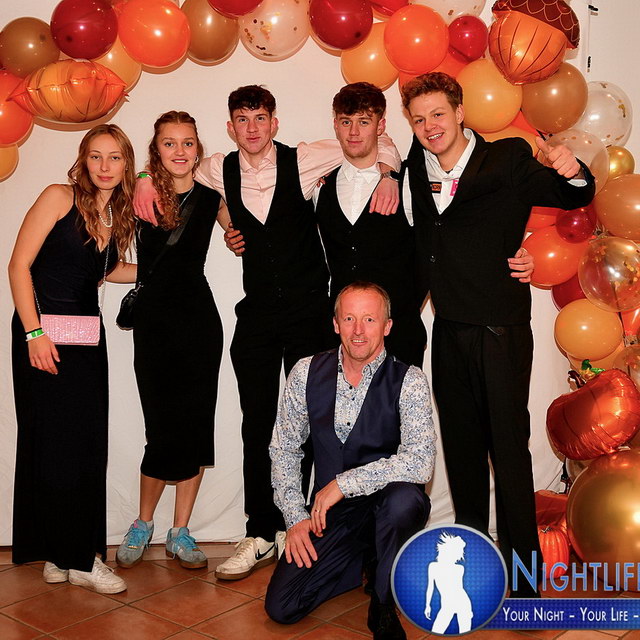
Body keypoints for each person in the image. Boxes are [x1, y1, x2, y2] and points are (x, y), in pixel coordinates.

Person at [135, 85, 401, 581]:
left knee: (316, 425)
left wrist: (388, 175)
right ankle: (260, 531)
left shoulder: (306, 157)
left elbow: (374, 142)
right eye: (243, 119)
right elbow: (172, 164)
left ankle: (304, 526)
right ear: (231, 127)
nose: (252, 127)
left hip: (309, 314)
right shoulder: (217, 168)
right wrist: (145, 177)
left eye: (260, 118)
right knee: (257, 425)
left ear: (274, 123)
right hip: (255, 316)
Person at [400, 72, 596, 596]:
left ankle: (525, 580)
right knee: (461, 452)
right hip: (448, 328)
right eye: (418, 119)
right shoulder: (414, 167)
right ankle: (473, 565)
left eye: (438, 114)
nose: (429, 126)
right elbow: (422, 243)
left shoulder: (506, 158)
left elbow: (570, 193)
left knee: (508, 451)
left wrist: (574, 169)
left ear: (460, 113)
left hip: (499, 329)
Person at [226, 82, 535, 369]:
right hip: (343, 337)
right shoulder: (319, 185)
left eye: (364, 122)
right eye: (346, 122)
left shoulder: (408, 181)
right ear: (335, 126)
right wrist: (232, 228)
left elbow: (452, 232)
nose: (354, 132)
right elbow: (281, 225)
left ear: (381, 126)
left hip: (400, 333)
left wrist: (513, 250)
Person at [265, 282, 436, 640]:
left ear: (387, 326)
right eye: (349, 319)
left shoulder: (410, 380)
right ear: (335, 324)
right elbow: (284, 448)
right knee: (282, 606)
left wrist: (344, 483)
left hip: (388, 504)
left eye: (370, 319)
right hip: (333, 515)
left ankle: (384, 604)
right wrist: (295, 517)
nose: (358, 330)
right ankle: (365, 558)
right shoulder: (305, 372)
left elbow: (421, 461)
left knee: (404, 501)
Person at [8, 124, 137, 594]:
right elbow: (18, 265)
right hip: (42, 334)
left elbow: (107, 269)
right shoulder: (58, 197)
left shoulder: (115, 215)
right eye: (96, 156)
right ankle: (80, 558)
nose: (105, 166)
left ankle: (60, 554)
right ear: (83, 160)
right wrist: (34, 332)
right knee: (53, 443)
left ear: (126, 165)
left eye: (115, 157)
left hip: (85, 337)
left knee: (84, 445)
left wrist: (165, 269)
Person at [116, 111, 227, 570]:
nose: (179, 151)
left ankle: (180, 530)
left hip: (200, 323)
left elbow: (249, 227)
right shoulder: (135, 194)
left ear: (197, 150)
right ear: (156, 150)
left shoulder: (213, 197)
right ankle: (143, 523)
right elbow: (106, 261)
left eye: (187, 143)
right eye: (169, 143)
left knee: (196, 427)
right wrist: (142, 178)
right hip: (155, 326)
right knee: (160, 429)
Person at [424, 532, 472, 634]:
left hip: (463, 603)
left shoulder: (459, 568)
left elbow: (459, 589)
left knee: (465, 633)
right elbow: (430, 587)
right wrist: (427, 605)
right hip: (447, 605)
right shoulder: (433, 566)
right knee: (436, 631)